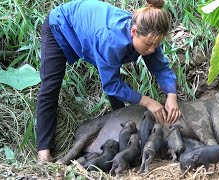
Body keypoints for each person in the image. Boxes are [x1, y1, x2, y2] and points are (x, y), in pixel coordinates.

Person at [37, 0, 181, 162]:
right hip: (62, 25)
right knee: (50, 88)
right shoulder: (111, 40)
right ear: (133, 31)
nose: (152, 50)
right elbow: (111, 85)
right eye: (149, 45)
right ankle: (44, 150)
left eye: (157, 45)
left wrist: (171, 94)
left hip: (92, 30)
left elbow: (161, 68)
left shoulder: (149, 34)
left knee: (115, 78)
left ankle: (119, 128)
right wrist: (148, 102)